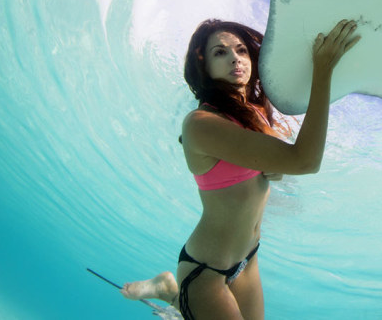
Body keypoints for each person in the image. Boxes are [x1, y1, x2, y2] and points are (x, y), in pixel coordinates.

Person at [121, 18, 359, 319]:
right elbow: (306, 161)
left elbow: (273, 164)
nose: (235, 57)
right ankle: (174, 291)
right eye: (220, 53)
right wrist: (323, 69)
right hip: (205, 272)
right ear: (203, 66)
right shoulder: (200, 124)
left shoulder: (254, 114)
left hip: (248, 259)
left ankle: (171, 292)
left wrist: (273, 170)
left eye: (241, 50)